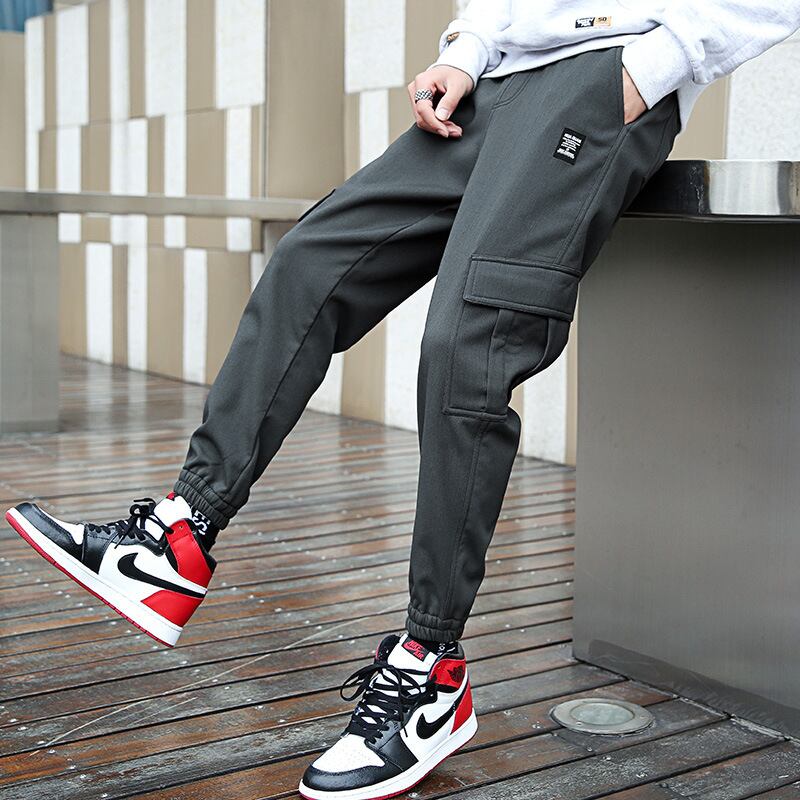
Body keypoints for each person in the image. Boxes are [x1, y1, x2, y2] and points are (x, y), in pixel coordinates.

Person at [7, 2, 800, 798]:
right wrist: (467, 49)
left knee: (468, 346)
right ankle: (177, 538)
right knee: (310, 262)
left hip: (600, 81)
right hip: (497, 80)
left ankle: (430, 667)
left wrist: (650, 69)